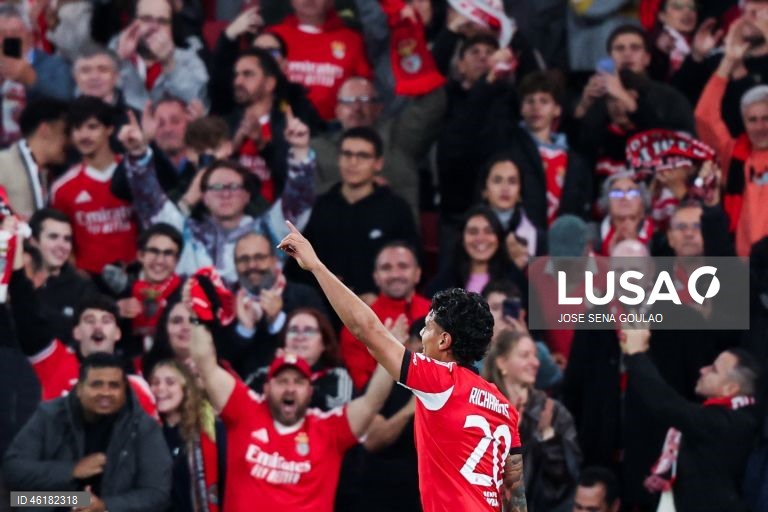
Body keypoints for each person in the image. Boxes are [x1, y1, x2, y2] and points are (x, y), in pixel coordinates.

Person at [277, 221, 526, 512]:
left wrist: (316, 266)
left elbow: (367, 330)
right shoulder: (503, 406)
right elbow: (515, 496)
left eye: (428, 327)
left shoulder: (440, 381)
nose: (421, 334)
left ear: (444, 340)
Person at [187, 315, 395, 511]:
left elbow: (371, 402)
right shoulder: (244, 410)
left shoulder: (329, 429)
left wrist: (391, 352)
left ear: (310, 391)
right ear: (267, 387)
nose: (290, 388)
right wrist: (197, 316)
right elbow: (207, 367)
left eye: (298, 382)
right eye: (282, 381)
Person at [119, 101, 316, 285]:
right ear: (204, 196)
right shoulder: (184, 232)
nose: (225, 194)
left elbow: (298, 201)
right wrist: (137, 152)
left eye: (233, 187)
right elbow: (149, 202)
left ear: (247, 195)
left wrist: (300, 151)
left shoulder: (268, 230)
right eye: (217, 187)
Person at [3, 352, 171, 512]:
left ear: (125, 391)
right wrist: (71, 472)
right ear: (79, 389)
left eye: (114, 386)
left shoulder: (143, 427)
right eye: (96, 384)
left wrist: (104, 507)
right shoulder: (49, 416)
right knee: (20, 498)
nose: (105, 393)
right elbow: (13, 471)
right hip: (57, 504)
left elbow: (157, 494)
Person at [621, 329, 760, 511]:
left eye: (713, 370)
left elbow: (666, 404)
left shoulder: (729, 423)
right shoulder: (732, 416)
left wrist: (637, 355)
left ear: (730, 389)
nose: (703, 370)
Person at [291, 127, 420, 297]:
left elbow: (412, 265)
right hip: (321, 304)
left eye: (363, 156)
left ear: (378, 163)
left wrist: (380, 299)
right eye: (347, 154)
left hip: (377, 307)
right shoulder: (317, 208)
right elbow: (297, 265)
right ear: (338, 158)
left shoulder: (396, 209)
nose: (353, 162)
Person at [484, 329, 581, 512]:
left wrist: (547, 437)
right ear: (502, 362)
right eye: (525, 355)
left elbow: (568, 477)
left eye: (535, 356)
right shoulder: (481, 407)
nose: (536, 362)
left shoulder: (553, 412)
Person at [694, 26, 768, 256]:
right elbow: (705, 117)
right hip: (743, 266)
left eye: (766, 118)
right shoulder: (734, 153)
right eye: (752, 120)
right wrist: (727, 62)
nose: (760, 126)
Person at [50, 96, 139, 275]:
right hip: (89, 282)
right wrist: (80, 280)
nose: (84, 136)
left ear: (109, 129)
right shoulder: (62, 189)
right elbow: (59, 242)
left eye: (92, 127)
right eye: (77, 128)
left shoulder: (135, 173)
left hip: (136, 278)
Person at [340, 241, 431, 391]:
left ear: (417, 274)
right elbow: (363, 388)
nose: (395, 274)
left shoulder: (440, 315)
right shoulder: (358, 322)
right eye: (386, 268)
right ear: (376, 277)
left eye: (403, 266)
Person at [266, 0, 372, 120]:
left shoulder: (352, 40)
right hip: (280, 125)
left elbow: (364, 91)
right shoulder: (272, 38)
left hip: (335, 127)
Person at [149, 359, 226, 512]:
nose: (160, 388)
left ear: (185, 388)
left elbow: (229, 481)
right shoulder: (146, 434)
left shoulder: (211, 429)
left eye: (170, 382)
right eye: (155, 383)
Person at [244, 308, 355, 411]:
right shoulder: (262, 375)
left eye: (309, 331)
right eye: (293, 330)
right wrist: (276, 373)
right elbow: (243, 406)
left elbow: (342, 411)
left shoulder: (338, 376)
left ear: (324, 343)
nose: (300, 337)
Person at [110, 0, 209, 111]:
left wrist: (170, 65)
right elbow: (101, 100)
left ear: (172, 27)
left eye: (162, 21)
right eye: (146, 19)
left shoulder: (189, 60)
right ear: (132, 22)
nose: (154, 27)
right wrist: (120, 61)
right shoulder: (113, 52)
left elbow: (199, 107)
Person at [0, 5, 74, 147]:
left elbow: (66, 99)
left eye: (15, 32)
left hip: (41, 146)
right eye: (1, 33)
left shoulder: (55, 64)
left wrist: (31, 79)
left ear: (30, 36)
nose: (8, 38)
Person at [26, 208, 97, 347]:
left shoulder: (82, 287)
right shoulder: (13, 282)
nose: (62, 246)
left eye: (67, 239)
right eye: (53, 237)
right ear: (33, 241)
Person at [428, 205, 525, 296]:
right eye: (473, 232)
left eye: (488, 231)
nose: (480, 238)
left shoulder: (517, 280)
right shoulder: (443, 283)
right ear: (461, 238)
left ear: (499, 237)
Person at [0, 98, 68, 219]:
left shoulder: (52, 174)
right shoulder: (3, 163)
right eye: (65, 132)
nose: (69, 141)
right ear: (45, 130)